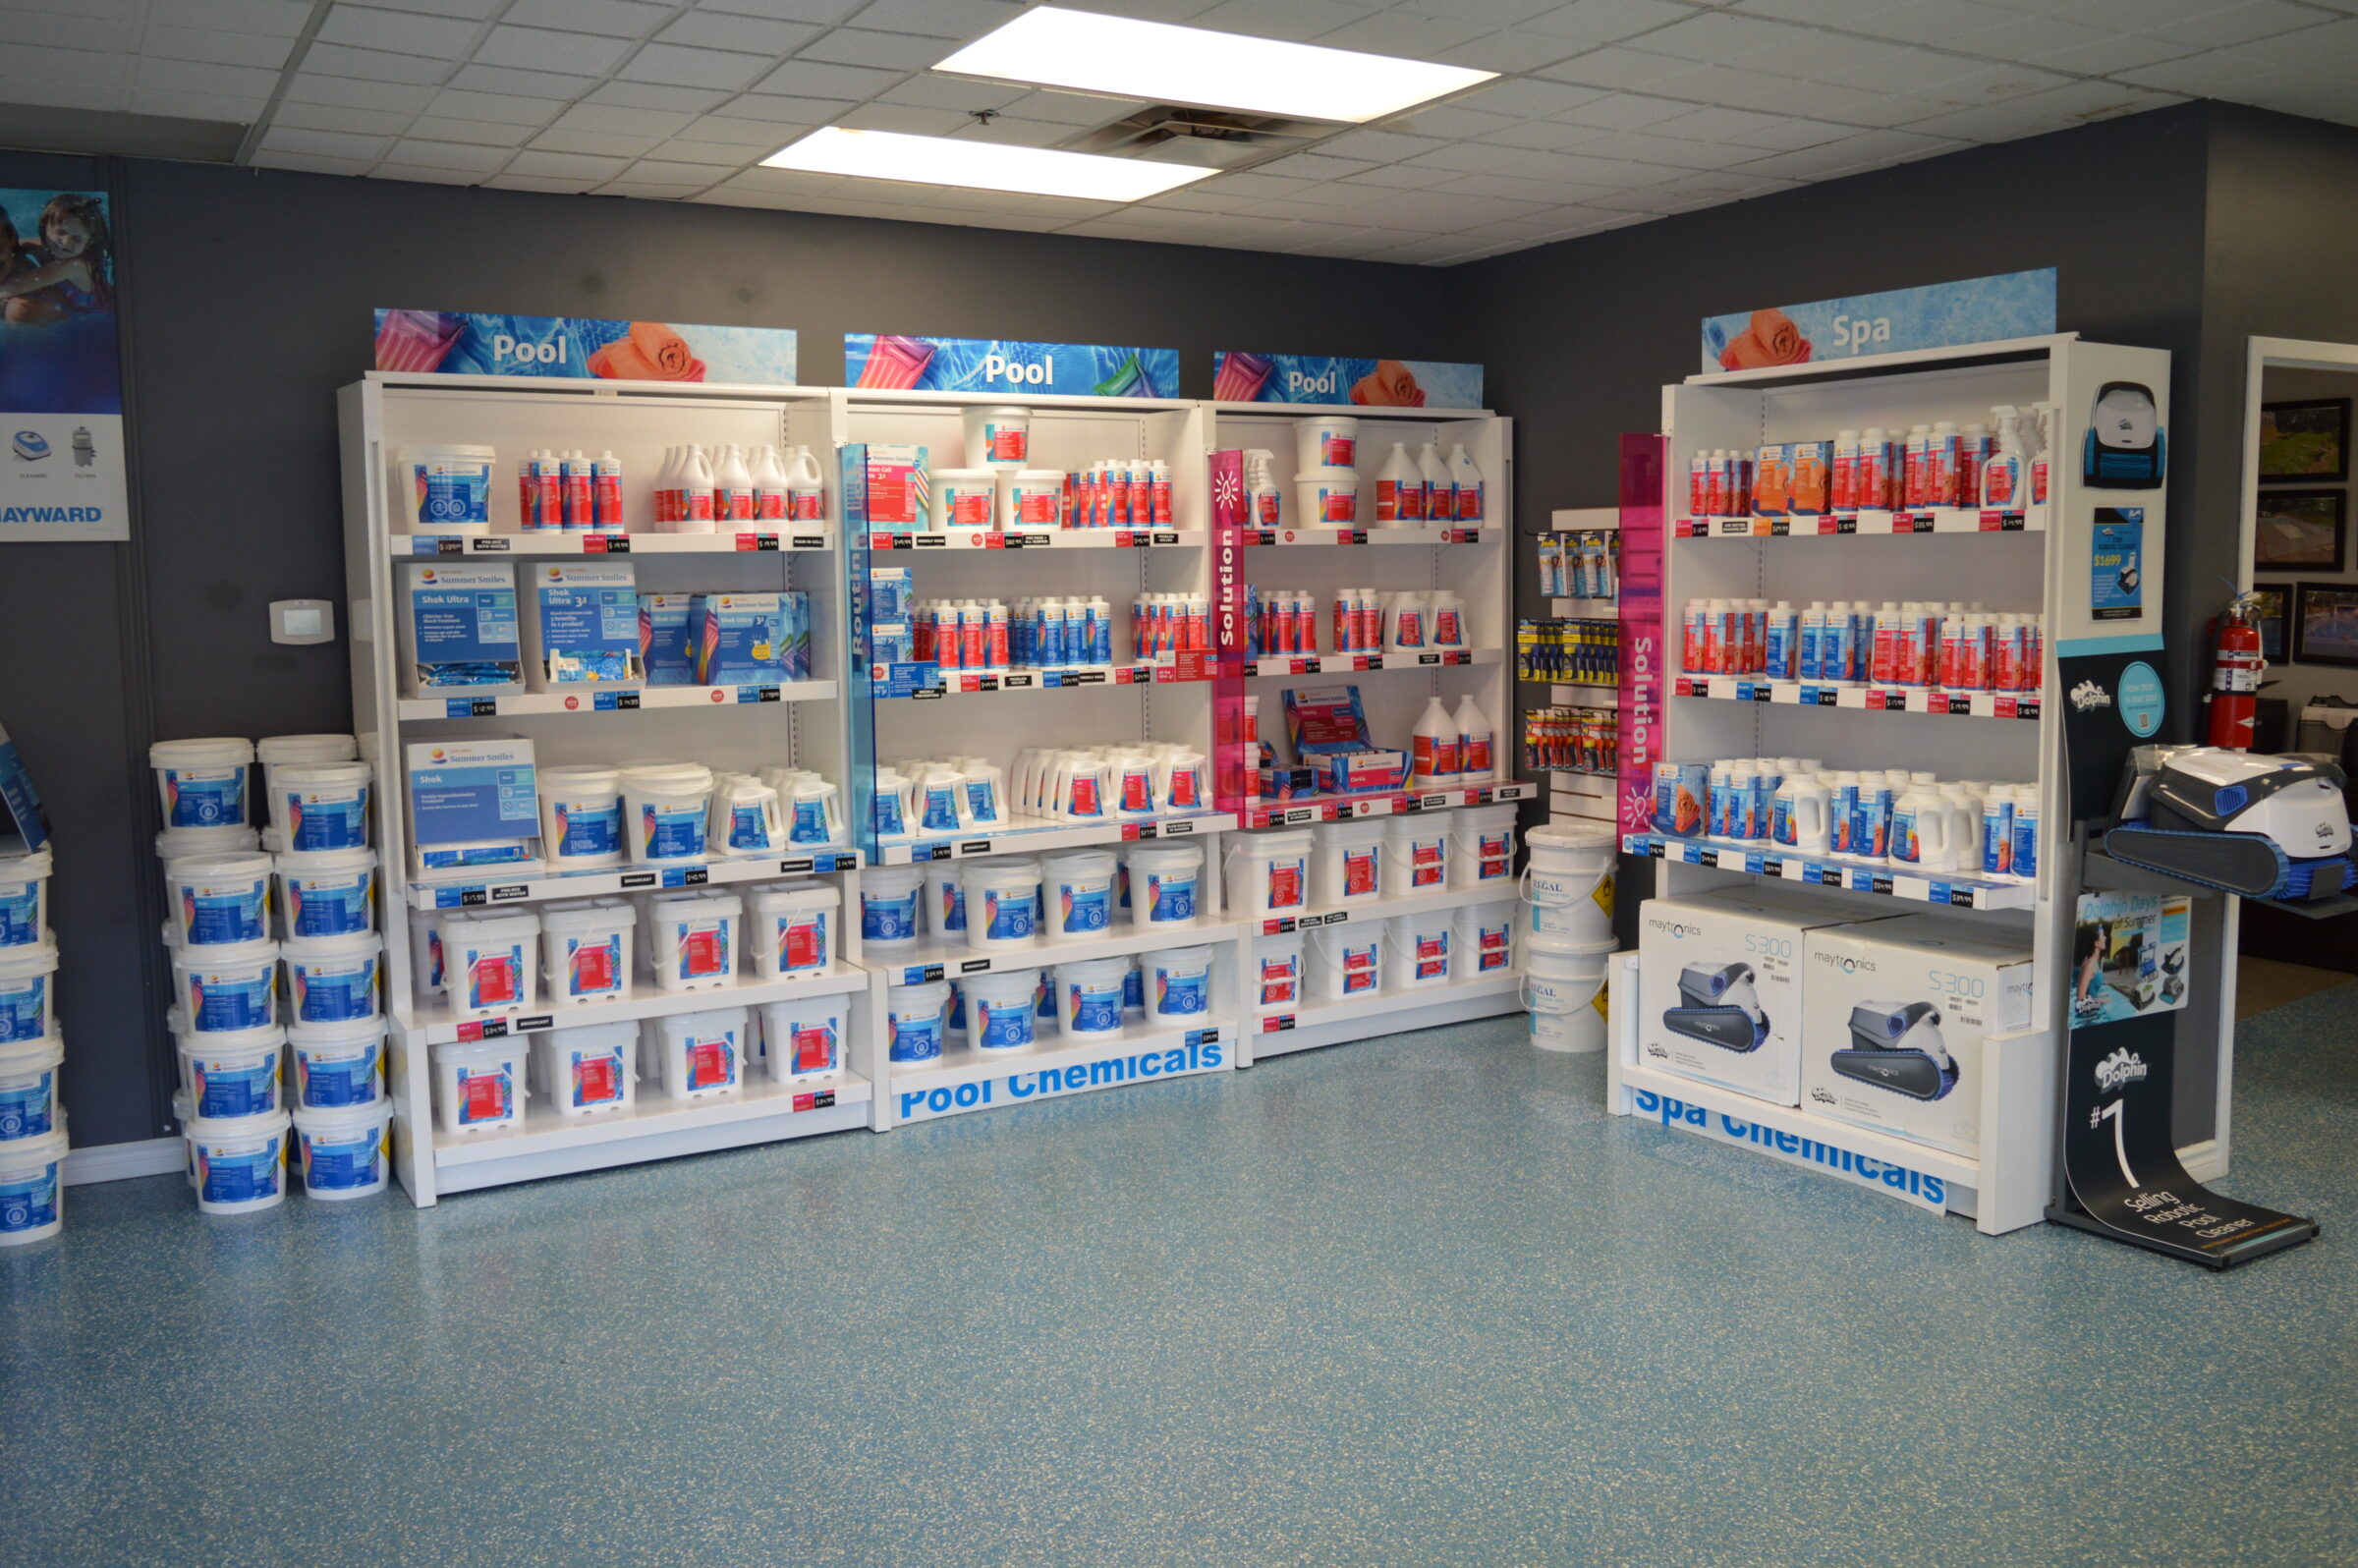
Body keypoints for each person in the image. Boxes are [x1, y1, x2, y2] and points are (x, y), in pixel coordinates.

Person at [0, 194, 113, 323]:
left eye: (76, 239)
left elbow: (15, 286)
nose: (66, 242)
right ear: (45, 229)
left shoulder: (73, 265)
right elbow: (16, 246)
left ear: (89, 242)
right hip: (69, 304)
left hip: (97, 317)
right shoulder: (47, 248)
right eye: (61, 232)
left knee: (17, 309)